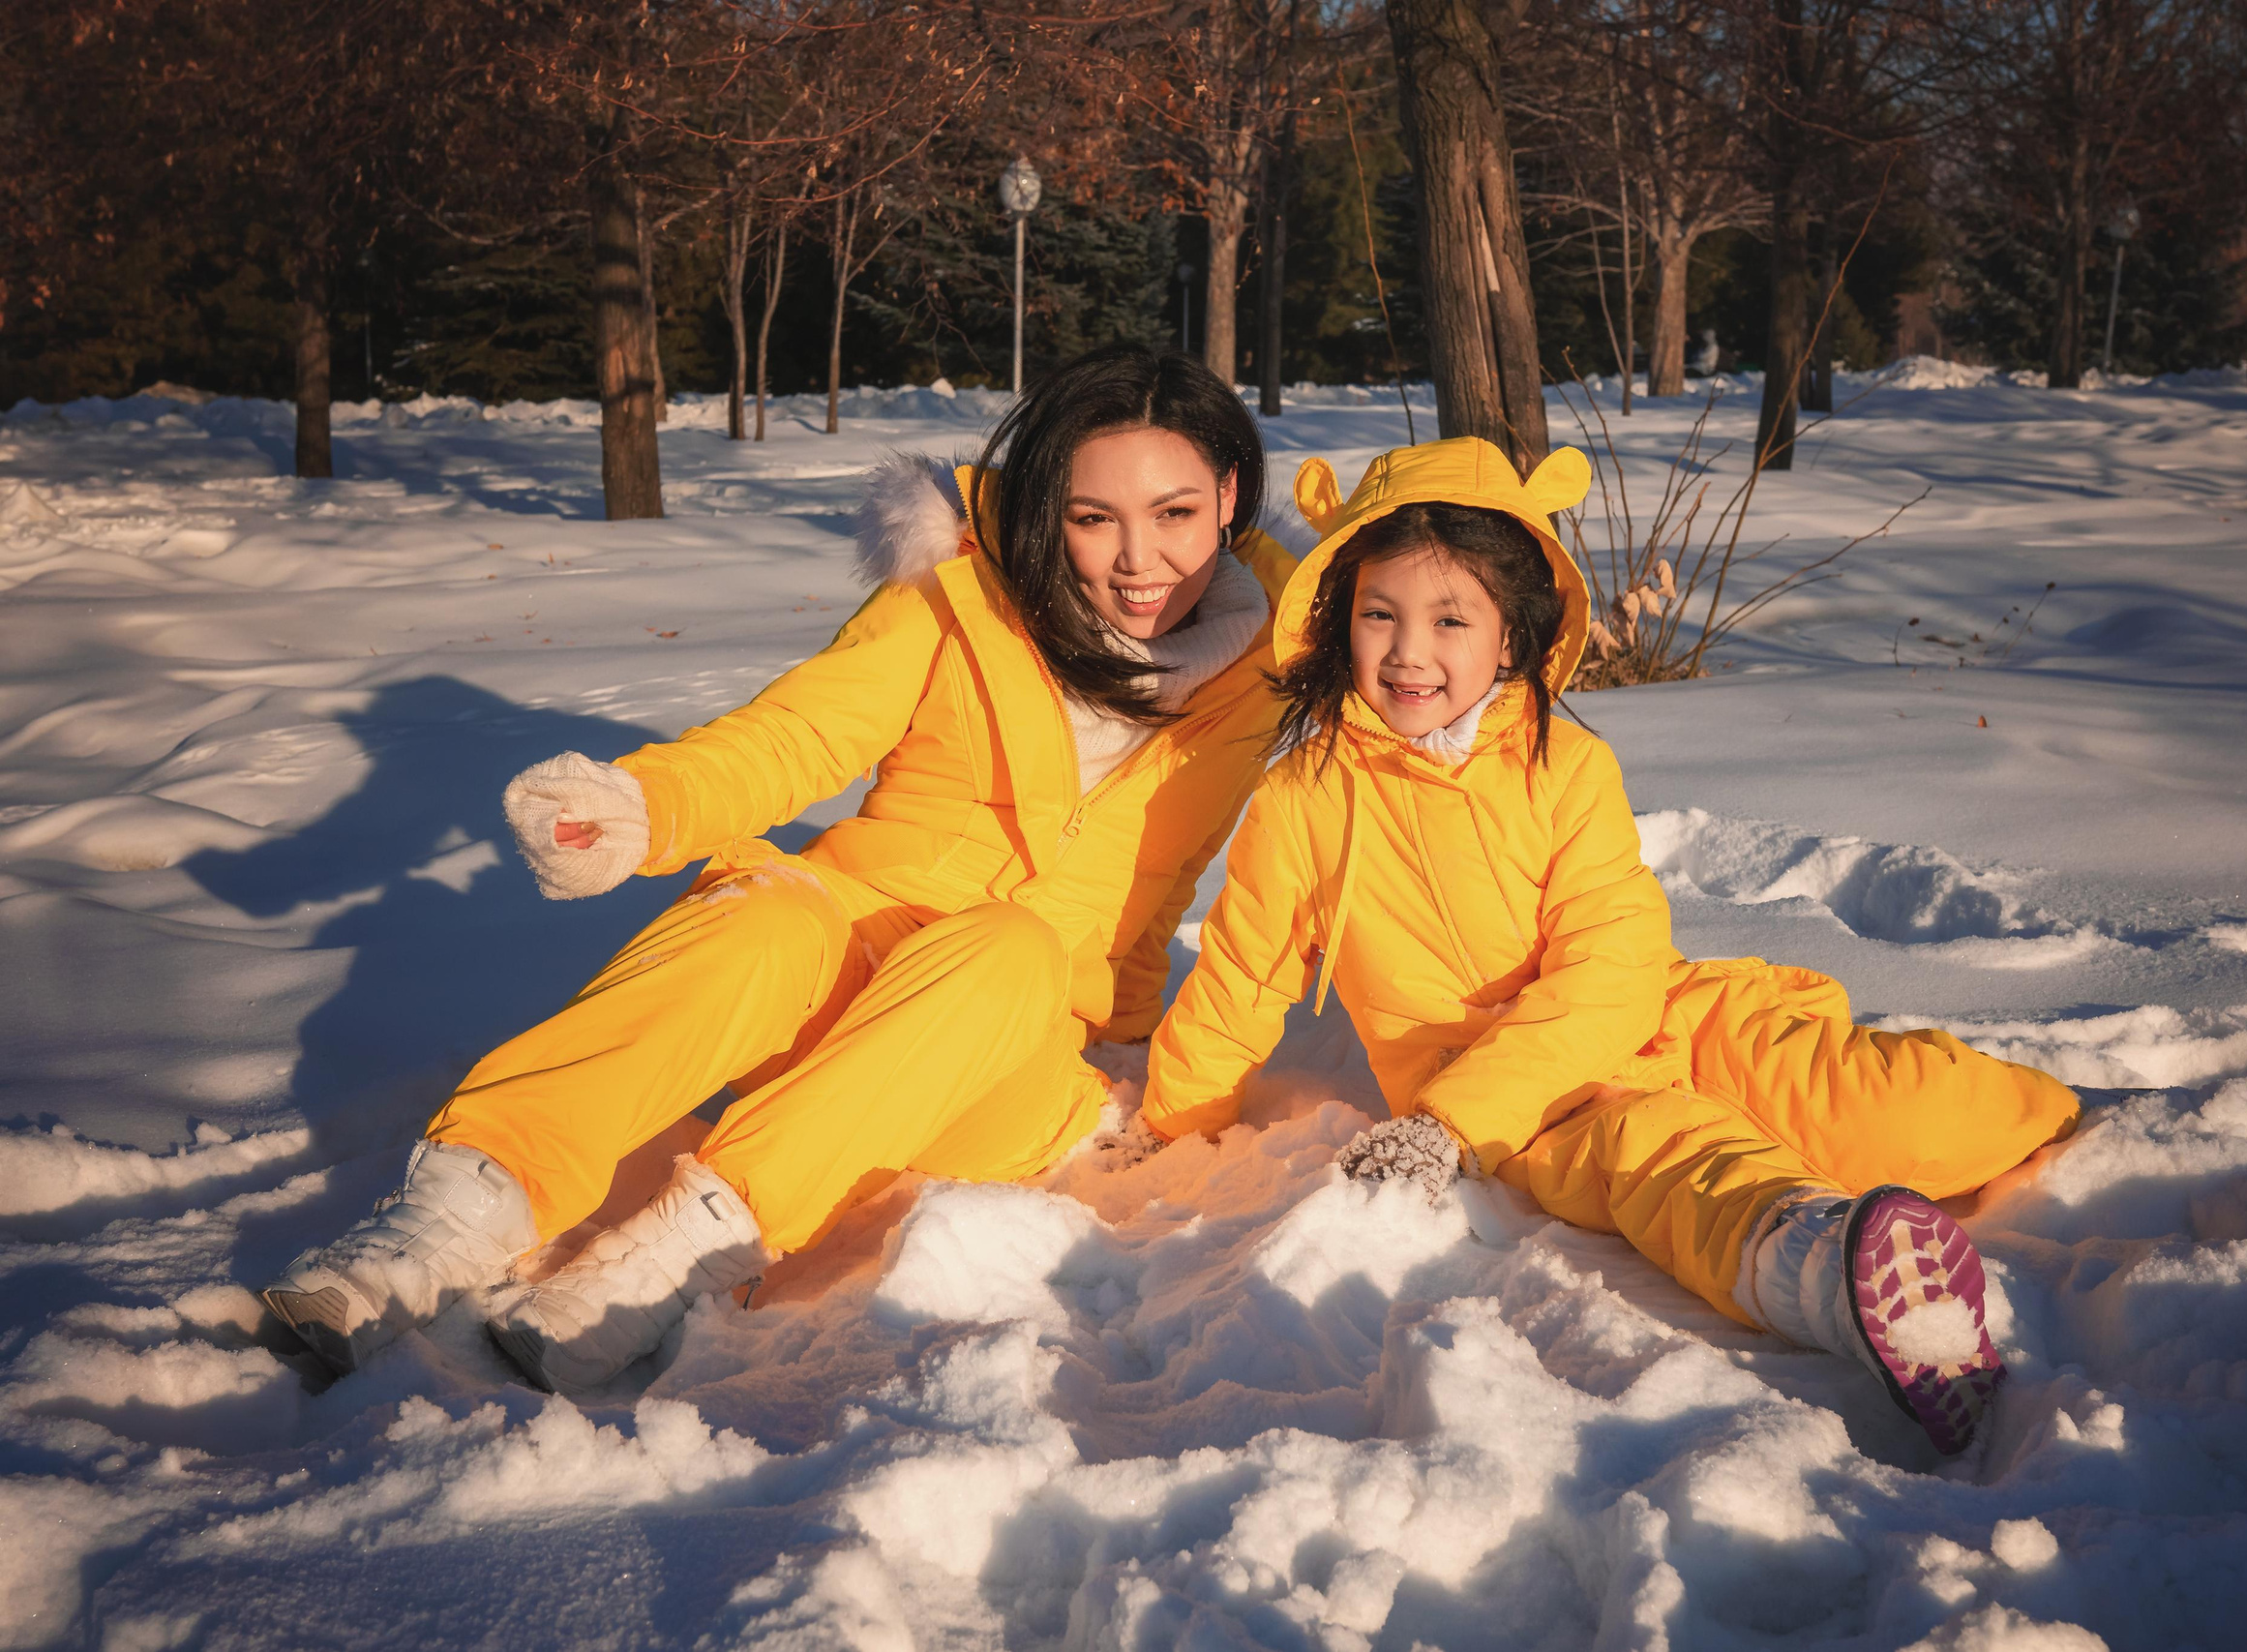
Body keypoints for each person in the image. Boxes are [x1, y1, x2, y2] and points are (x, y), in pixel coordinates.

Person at [262, 345, 1301, 1393]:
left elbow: (1375, 780)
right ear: (1047, 509)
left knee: (1010, 947)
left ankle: (672, 1258)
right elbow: (799, 735)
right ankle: (451, 1214)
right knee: (765, 912)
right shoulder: (961, 599)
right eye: (1093, 517)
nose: (1137, 559)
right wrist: (649, 806)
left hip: (1010, 1065)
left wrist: (1168, 1084)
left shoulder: (1283, 664)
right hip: (844, 986)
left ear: (1226, 496)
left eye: (1173, 513)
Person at [1134, 436, 2080, 1455]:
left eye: (1449, 619)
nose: (1408, 652)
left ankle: (2061, 1111)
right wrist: (1175, 1126)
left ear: (1508, 635)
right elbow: (1240, 977)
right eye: (1379, 615)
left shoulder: (1565, 766)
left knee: (1876, 1098)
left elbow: (1614, 960)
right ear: (1339, 618)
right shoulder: (1307, 797)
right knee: (1671, 1160)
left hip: (1667, 1014)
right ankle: (1838, 1270)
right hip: (1522, 1104)